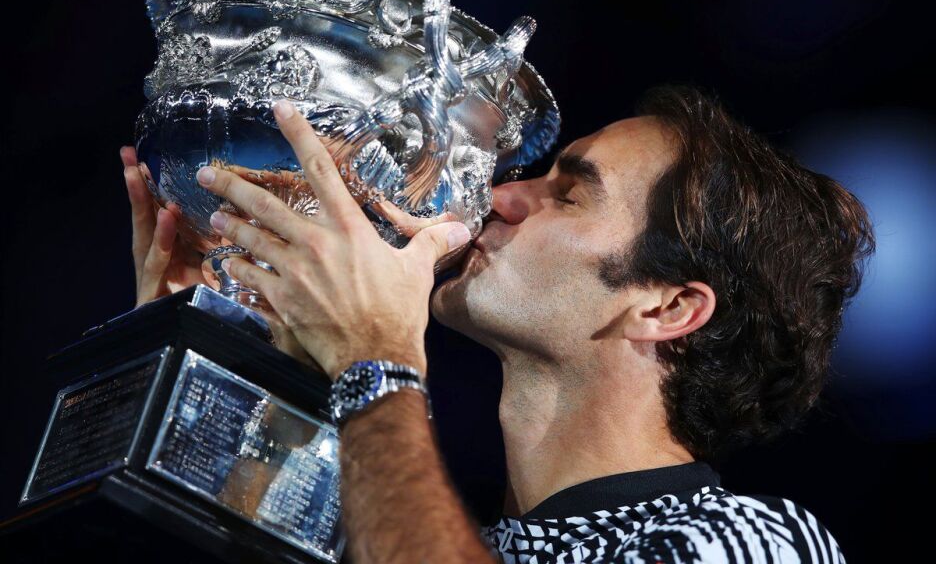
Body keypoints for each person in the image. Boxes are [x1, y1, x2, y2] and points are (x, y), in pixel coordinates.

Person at [120, 84, 873, 563]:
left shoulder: (752, 543)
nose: (504, 198)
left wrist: (375, 359)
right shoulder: (418, 533)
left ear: (667, 308)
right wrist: (212, 348)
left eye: (568, 195)